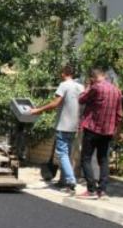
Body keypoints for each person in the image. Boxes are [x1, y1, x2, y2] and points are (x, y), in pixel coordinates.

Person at [29, 65, 84, 195]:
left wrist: (38, 110)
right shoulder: (80, 87)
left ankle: (70, 180)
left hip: (63, 125)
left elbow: (55, 103)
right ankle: (64, 180)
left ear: (64, 73)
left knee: (62, 154)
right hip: (74, 125)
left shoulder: (64, 85)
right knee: (67, 153)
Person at [76, 67, 123, 200]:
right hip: (108, 131)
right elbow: (119, 115)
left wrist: (87, 87)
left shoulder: (96, 88)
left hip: (92, 128)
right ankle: (102, 191)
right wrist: (117, 131)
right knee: (103, 160)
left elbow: (81, 99)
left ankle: (91, 189)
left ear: (93, 78)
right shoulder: (117, 91)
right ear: (104, 76)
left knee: (85, 158)